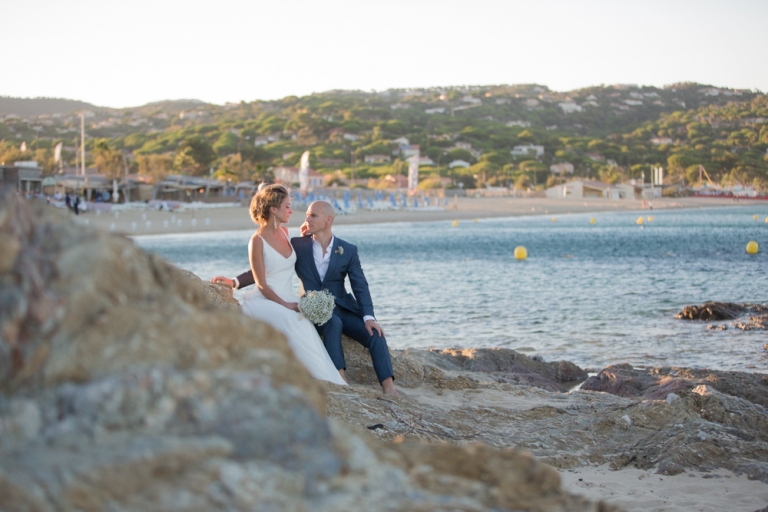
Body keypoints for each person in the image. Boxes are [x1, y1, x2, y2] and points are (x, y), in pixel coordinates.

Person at [212, 199, 397, 394]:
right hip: (313, 307)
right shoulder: (297, 245)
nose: (307, 218)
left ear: (328, 220)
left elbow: (360, 285)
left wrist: (369, 317)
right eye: (307, 214)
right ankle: (340, 377)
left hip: (344, 307)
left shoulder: (348, 249)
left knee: (375, 334)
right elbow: (267, 266)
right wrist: (235, 282)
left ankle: (389, 388)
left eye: (313, 215)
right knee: (333, 323)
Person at [234, 184, 346, 386]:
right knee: (294, 320)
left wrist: (305, 238)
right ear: (273, 209)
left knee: (304, 322)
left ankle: (330, 380)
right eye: (286, 206)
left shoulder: (285, 232)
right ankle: (317, 379)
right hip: (266, 299)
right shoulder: (257, 241)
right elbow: (261, 283)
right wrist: (284, 305)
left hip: (289, 297)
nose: (291, 211)